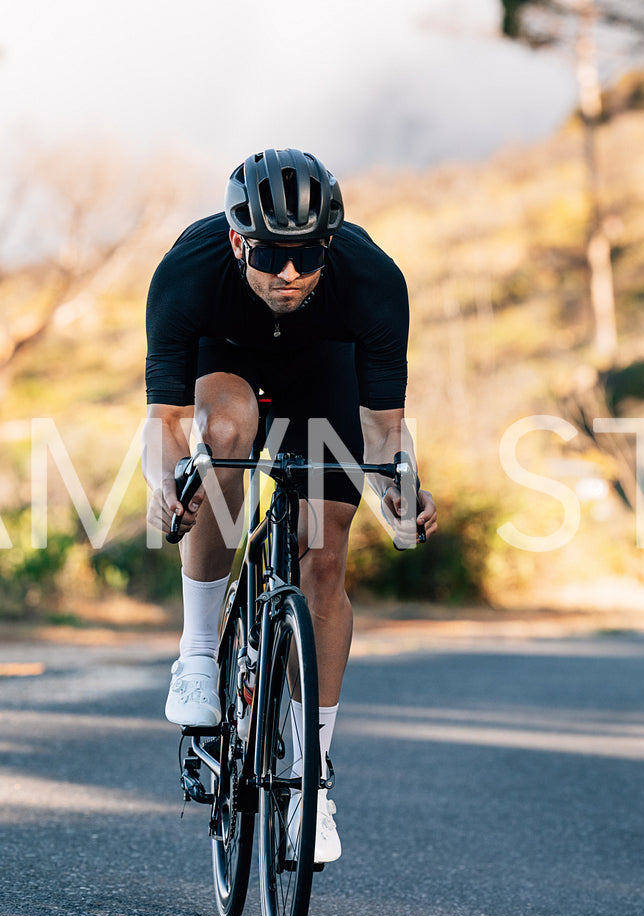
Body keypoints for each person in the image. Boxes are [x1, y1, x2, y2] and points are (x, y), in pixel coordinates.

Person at [142, 148, 437, 864]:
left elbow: (385, 431)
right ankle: (200, 654)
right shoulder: (190, 268)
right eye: (271, 255)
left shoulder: (369, 279)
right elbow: (167, 425)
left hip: (321, 381)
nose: (289, 274)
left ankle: (312, 785)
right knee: (223, 439)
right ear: (240, 239)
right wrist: (168, 485)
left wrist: (402, 487)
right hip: (229, 364)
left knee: (325, 553)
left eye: (307, 257)